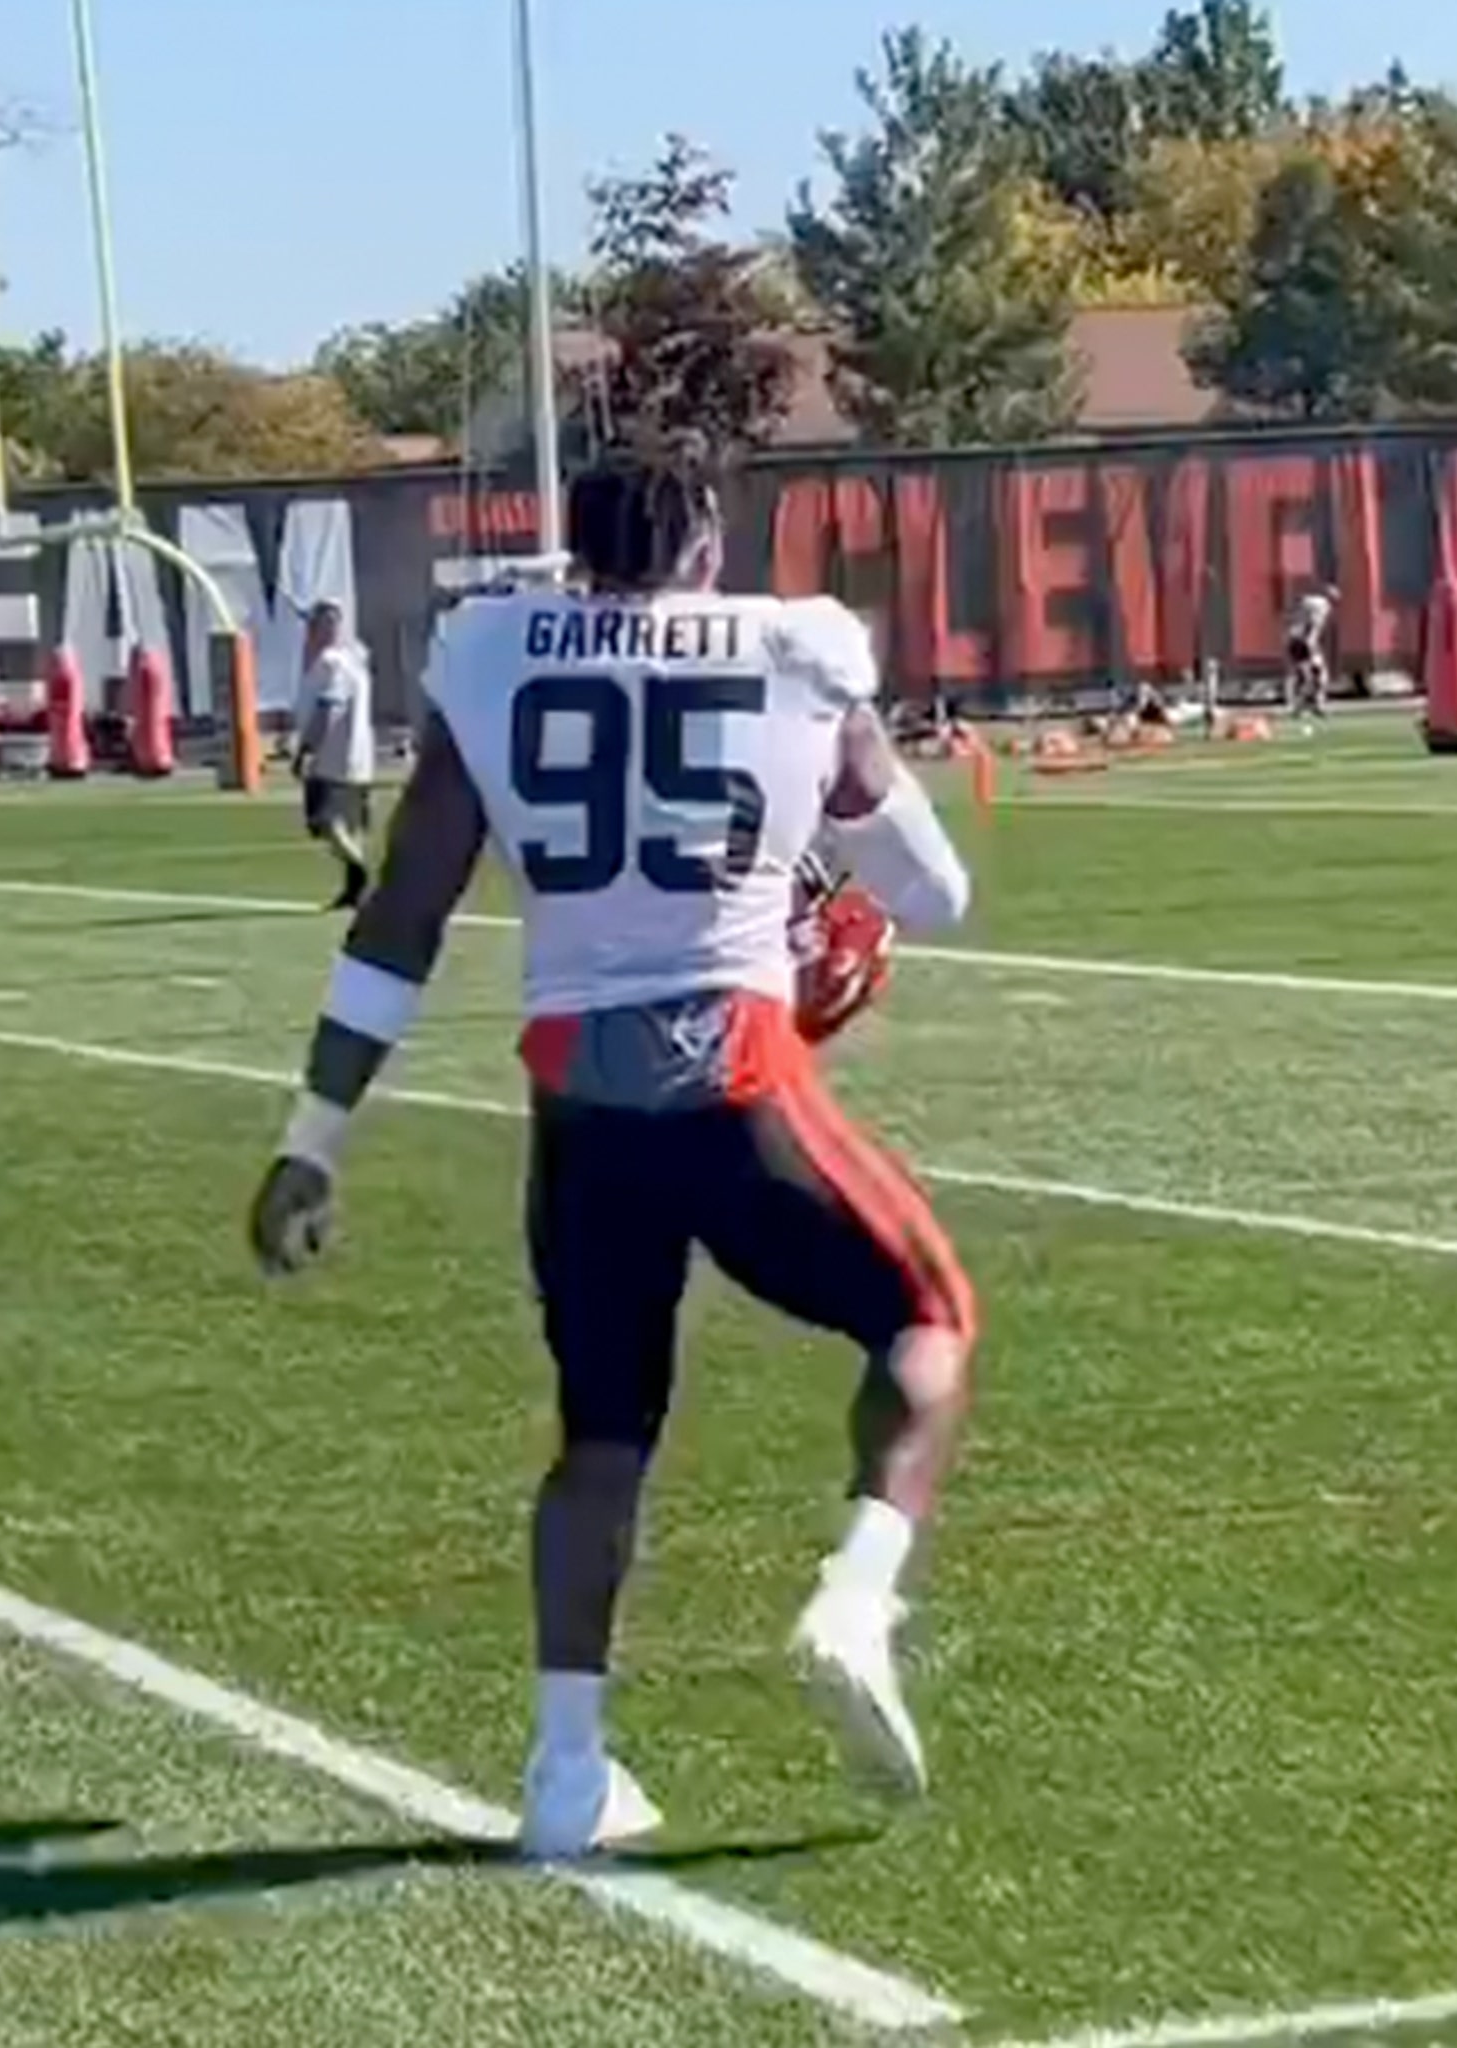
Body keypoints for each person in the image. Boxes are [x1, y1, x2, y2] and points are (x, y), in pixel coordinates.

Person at [247, 446, 979, 1861]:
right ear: (708, 543)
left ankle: (566, 1771)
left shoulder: (492, 651)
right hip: (738, 1075)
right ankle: (857, 1590)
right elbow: (932, 895)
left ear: (576, 551)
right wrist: (822, 882)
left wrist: (314, 1141)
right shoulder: (799, 644)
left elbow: (399, 918)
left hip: (578, 1102)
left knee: (601, 1436)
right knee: (927, 1315)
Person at [291, 601, 376, 909]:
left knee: (326, 822)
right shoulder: (353, 661)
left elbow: (328, 707)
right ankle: (355, 888)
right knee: (348, 825)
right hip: (359, 755)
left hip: (334, 756)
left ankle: (361, 873)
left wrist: (307, 751)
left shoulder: (331, 664)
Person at [1285, 585, 1339, 722]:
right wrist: (1311, 644)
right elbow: (1314, 626)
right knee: (1317, 675)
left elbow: (1293, 618)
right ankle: (1310, 706)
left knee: (1306, 675)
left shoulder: (1307, 602)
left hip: (1295, 640)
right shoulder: (1322, 606)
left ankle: (1303, 706)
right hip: (1305, 642)